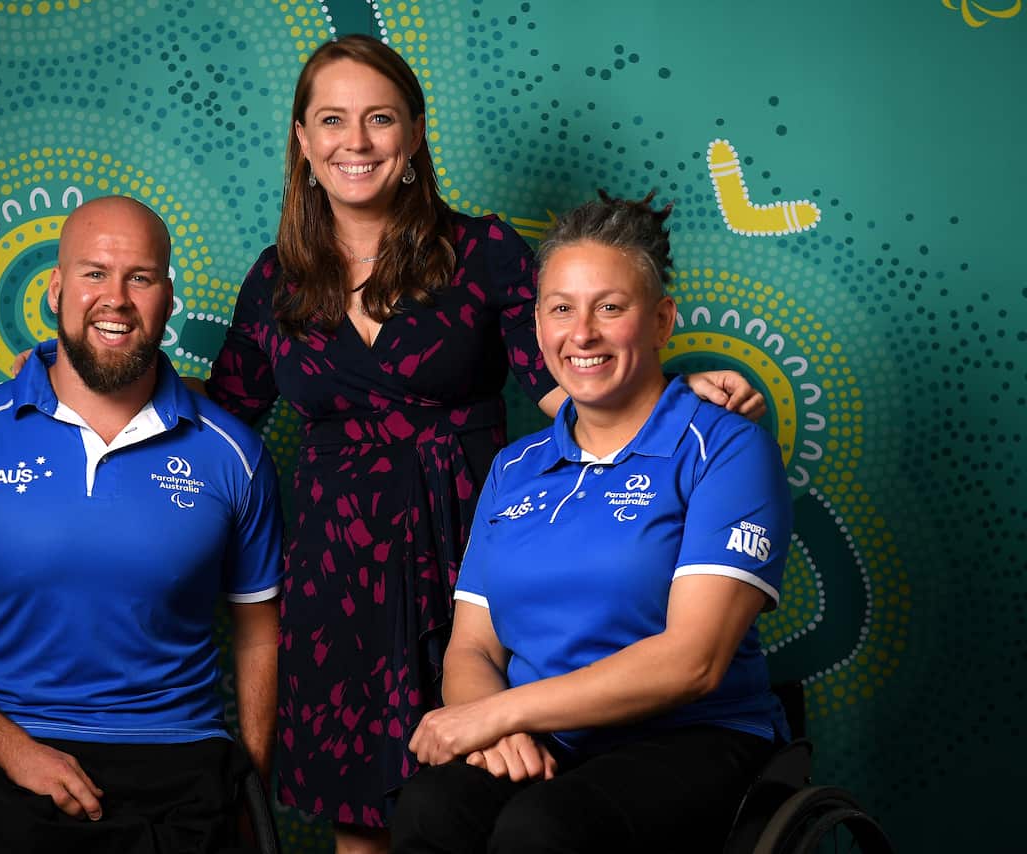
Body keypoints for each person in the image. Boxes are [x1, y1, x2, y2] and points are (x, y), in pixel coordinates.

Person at [200, 35, 769, 854]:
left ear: (415, 133)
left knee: (487, 787)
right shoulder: (275, 278)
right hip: (338, 569)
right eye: (331, 119)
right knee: (367, 817)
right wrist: (95, 383)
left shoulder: (481, 252)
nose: (355, 141)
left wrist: (683, 401)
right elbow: (222, 413)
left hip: (460, 539)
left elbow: (576, 379)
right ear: (302, 138)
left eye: (379, 119)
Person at [0, 196, 284, 854]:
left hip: (181, 757)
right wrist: (15, 751)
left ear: (167, 299)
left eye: (140, 278)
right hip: (13, 751)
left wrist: (252, 784)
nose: (115, 298)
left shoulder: (233, 454)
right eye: (95, 273)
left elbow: (259, 635)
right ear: (55, 289)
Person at [393, 193, 794, 854]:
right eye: (561, 309)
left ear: (661, 321)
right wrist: (501, 731)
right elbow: (472, 649)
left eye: (610, 308)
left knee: (543, 828)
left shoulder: (726, 449)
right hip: (546, 736)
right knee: (431, 809)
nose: (581, 334)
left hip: (693, 737)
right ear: (538, 325)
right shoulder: (514, 468)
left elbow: (693, 661)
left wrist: (497, 714)